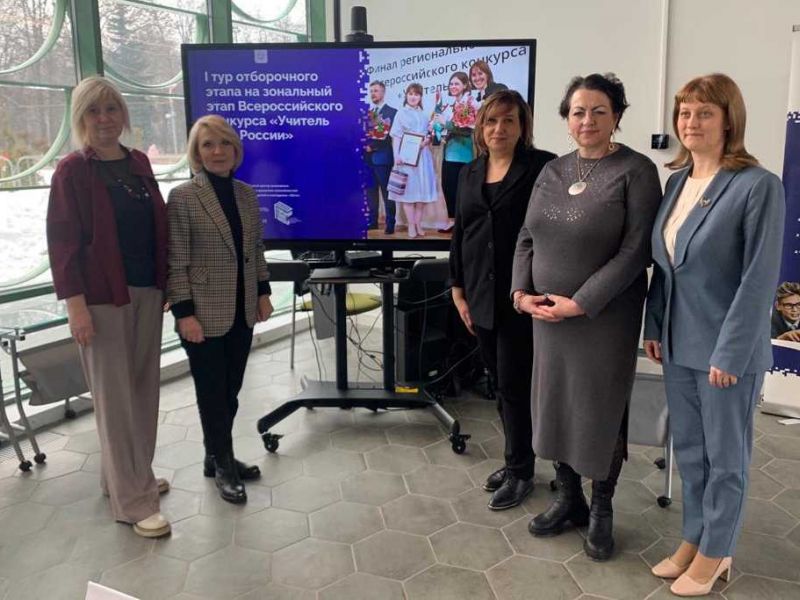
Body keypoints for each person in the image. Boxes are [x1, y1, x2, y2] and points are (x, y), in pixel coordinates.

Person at [644, 73, 785, 596]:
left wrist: (732, 352)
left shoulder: (757, 185)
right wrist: (654, 325)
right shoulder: (677, 183)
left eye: (704, 112)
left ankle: (717, 551)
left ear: (729, 120)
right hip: (678, 343)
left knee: (727, 460)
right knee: (692, 452)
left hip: (727, 352)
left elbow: (758, 279)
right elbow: (666, 268)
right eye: (685, 112)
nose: (691, 122)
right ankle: (694, 537)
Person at [511, 73, 662, 561]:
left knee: (599, 406)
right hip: (548, 316)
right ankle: (568, 497)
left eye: (599, 110)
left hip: (604, 318)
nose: (588, 120)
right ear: (566, 119)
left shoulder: (636, 171)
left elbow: (636, 250)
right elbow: (527, 237)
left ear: (617, 116)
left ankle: (601, 507)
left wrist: (581, 301)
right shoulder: (552, 171)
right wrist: (521, 293)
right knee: (555, 402)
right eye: (578, 111)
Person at [46, 76, 170, 538]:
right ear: (80, 118)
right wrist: (75, 307)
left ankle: (124, 478)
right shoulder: (72, 171)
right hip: (101, 300)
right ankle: (134, 501)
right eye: (94, 111)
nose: (104, 119)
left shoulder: (138, 162)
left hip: (147, 292)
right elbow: (62, 243)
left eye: (112, 109)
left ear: (123, 114)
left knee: (142, 391)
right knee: (116, 401)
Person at [449, 90, 555, 510]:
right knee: (499, 383)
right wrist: (457, 288)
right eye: (492, 121)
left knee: (514, 384)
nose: (499, 129)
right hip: (479, 293)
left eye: (509, 120)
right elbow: (462, 232)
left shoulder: (543, 167)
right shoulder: (469, 172)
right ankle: (516, 462)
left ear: (522, 126)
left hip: (522, 294)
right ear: (480, 127)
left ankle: (521, 470)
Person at [167, 115, 273, 504]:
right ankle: (224, 465)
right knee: (212, 393)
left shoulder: (246, 194)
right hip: (202, 313)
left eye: (224, 143)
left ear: (235, 149)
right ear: (197, 153)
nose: (217, 151)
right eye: (208, 145)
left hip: (242, 308)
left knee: (230, 390)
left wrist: (263, 291)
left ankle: (215, 457)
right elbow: (176, 260)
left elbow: (255, 249)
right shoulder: (183, 196)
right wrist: (184, 313)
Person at [388, 83, 438, 238]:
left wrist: (428, 140)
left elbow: (427, 135)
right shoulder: (401, 113)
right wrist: (396, 156)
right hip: (406, 158)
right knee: (409, 194)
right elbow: (396, 137)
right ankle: (411, 225)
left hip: (423, 157)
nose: (413, 97)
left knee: (421, 195)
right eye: (410, 94)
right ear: (406, 96)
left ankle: (418, 224)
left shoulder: (424, 114)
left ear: (421, 97)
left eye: (416, 94)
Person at [439, 72, 475, 232]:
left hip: (463, 155)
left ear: (465, 85)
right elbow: (449, 127)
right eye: (451, 84)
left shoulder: (470, 103)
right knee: (448, 188)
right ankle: (453, 221)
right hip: (449, 153)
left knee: (462, 191)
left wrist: (445, 124)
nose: (453, 86)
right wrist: (440, 131)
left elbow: (467, 130)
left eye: (457, 84)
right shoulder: (451, 105)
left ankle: (463, 224)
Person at [365, 81, 398, 234]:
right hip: (367, 159)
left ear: (383, 92)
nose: (373, 93)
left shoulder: (392, 112)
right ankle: (373, 222)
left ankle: (390, 223)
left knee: (386, 192)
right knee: (371, 192)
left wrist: (372, 146)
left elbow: (389, 135)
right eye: (371, 91)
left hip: (383, 158)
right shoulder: (367, 113)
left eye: (376, 91)